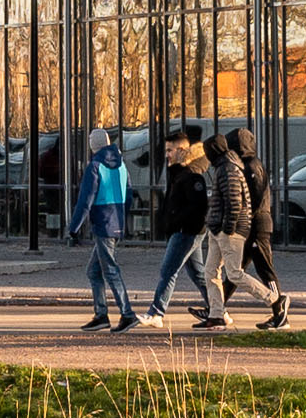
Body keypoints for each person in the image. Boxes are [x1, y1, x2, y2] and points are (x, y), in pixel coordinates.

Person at [144, 132, 225, 328]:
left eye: (170, 150)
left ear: (181, 150)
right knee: (198, 274)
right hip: (184, 229)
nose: (167, 155)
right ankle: (219, 311)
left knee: (168, 270)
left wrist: (176, 222)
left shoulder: (192, 173)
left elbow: (197, 206)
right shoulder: (181, 171)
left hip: (187, 231)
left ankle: (156, 313)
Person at [219, 127, 287, 328]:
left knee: (264, 268)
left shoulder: (251, 167)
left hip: (256, 225)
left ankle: (279, 309)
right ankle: (216, 307)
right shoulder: (245, 165)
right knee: (235, 269)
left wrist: (243, 219)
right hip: (250, 224)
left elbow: (254, 198)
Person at [71, 138, 138, 330]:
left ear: (93, 145)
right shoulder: (122, 165)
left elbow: (86, 199)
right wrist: (123, 219)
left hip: (103, 222)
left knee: (110, 270)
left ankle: (127, 313)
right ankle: (101, 314)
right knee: (94, 271)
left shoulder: (95, 166)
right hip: (116, 221)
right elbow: (129, 193)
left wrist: (74, 228)